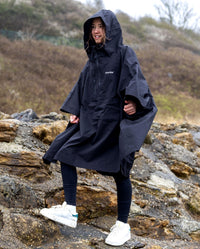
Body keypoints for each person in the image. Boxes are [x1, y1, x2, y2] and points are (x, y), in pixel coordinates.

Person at [40, 9, 157, 247]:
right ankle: (70, 210)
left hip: (114, 125)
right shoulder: (92, 58)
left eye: (100, 27)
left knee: (120, 172)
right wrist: (76, 110)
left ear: (110, 30)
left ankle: (123, 226)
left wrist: (135, 101)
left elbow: (137, 80)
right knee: (66, 152)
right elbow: (81, 87)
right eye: (93, 27)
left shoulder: (125, 54)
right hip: (92, 122)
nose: (96, 31)